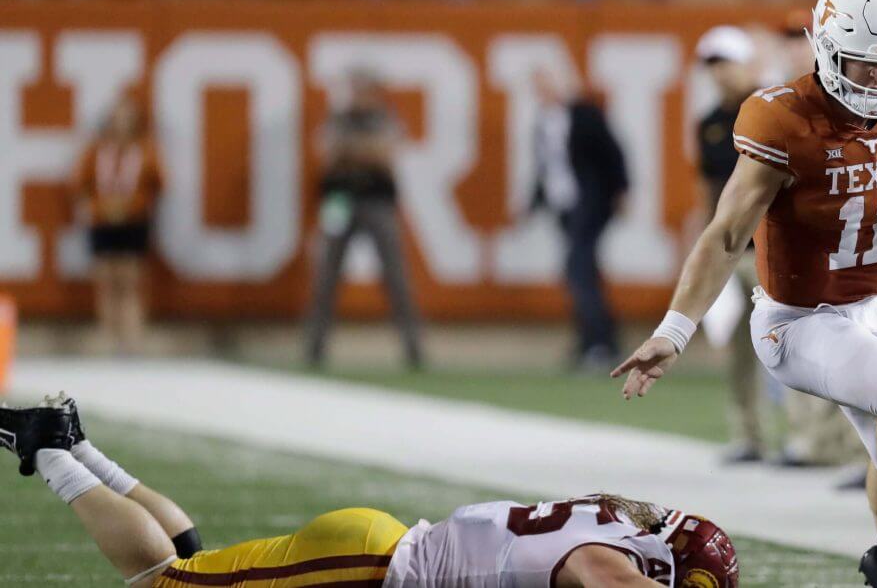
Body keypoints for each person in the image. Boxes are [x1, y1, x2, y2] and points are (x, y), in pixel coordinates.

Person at [612, 0, 877, 588]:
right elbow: (727, 233)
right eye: (863, 64)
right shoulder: (779, 117)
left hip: (873, 303)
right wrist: (674, 332)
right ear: (827, 48)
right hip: (799, 320)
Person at [0, 395, 738, 587]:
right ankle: (50, 451)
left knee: (195, 556)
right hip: (366, 568)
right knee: (164, 584)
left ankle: (79, 443)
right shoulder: (607, 564)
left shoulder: (615, 523)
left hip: (373, 552)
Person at [694, 25, 847, 467]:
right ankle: (750, 434)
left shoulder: (776, 110)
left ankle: (809, 439)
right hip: (733, 250)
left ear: (749, 64)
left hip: (777, 246)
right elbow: (710, 190)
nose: (721, 73)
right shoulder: (707, 125)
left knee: (793, 348)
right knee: (739, 350)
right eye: (713, 65)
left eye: (727, 62)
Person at [305, 69, 424, 370]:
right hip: (339, 201)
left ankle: (414, 349)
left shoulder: (384, 118)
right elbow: (327, 152)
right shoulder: (339, 119)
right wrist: (365, 150)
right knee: (326, 274)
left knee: (396, 276)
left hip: (377, 201)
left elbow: (386, 153)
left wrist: (353, 151)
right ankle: (314, 348)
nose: (358, 95)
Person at [530, 67, 629, 369]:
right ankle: (597, 339)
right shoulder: (542, 123)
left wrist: (621, 190)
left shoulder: (584, 115)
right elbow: (546, 169)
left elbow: (613, 153)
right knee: (583, 273)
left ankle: (597, 343)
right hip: (565, 207)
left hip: (590, 205)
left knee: (578, 270)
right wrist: (533, 203)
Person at [71, 91, 162, 356]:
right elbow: (79, 183)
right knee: (106, 280)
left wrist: (135, 205)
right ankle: (108, 338)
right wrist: (99, 207)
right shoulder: (97, 151)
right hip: (103, 221)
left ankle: (133, 340)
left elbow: (159, 183)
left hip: (133, 222)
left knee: (130, 281)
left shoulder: (144, 150)